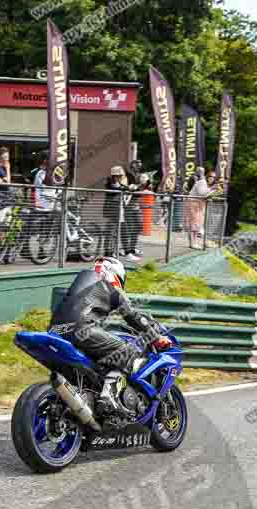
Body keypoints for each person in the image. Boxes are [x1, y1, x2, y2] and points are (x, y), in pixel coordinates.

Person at [48, 257, 172, 416]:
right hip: (82, 330)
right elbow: (132, 316)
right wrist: (156, 337)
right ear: (116, 275)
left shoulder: (80, 283)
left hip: (55, 330)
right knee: (127, 352)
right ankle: (108, 398)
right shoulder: (111, 287)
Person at [121, 160, 145, 261]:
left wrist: (143, 185)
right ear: (132, 166)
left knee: (139, 226)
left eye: (140, 166)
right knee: (128, 228)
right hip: (128, 206)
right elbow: (127, 188)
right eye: (136, 166)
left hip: (136, 206)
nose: (138, 167)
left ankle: (132, 247)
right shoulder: (127, 175)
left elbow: (139, 191)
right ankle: (127, 250)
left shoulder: (140, 176)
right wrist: (136, 187)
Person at [184, 167, 212, 250]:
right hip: (195, 205)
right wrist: (212, 191)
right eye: (200, 172)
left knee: (196, 224)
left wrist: (210, 191)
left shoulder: (201, 182)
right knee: (194, 224)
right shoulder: (202, 182)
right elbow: (202, 193)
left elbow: (202, 193)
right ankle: (193, 243)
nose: (200, 173)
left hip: (196, 205)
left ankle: (196, 242)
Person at [102, 166, 127, 257]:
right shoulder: (109, 184)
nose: (120, 177)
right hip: (112, 211)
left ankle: (113, 250)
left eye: (120, 175)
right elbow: (114, 190)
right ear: (114, 176)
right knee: (110, 232)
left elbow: (124, 188)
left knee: (116, 232)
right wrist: (124, 189)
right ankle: (108, 251)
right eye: (118, 175)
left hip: (119, 210)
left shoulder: (119, 184)